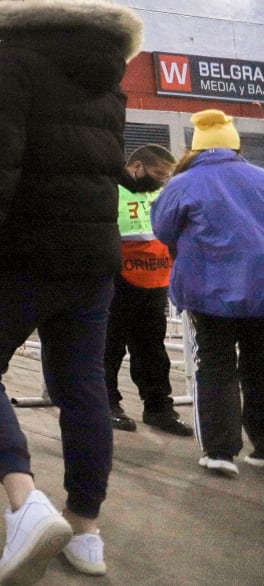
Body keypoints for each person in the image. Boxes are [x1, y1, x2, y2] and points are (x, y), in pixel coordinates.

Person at [0, 0, 144, 584]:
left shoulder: (8, 63)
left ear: (10, 16)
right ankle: (86, 533)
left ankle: (25, 502)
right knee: (82, 385)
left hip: (20, 253)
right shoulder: (109, 76)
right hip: (91, 258)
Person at [151, 109, 264, 479]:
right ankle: (262, 448)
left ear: (197, 147)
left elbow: (164, 230)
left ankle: (219, 451)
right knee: (260, 366)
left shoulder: (183, 184)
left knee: (214, 366)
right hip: (261, 290)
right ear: (235, 144)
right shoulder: (261, 177)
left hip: (208, 289)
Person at [105, 145, 193, 436]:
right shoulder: (111, 190)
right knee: (109, 347)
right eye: (157, 174)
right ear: (137, 167)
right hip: (117, 281)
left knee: (152, 351)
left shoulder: (160, 193)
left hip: (155, 281)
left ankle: (158, 408)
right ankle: (107, 404)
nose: (161, 180)